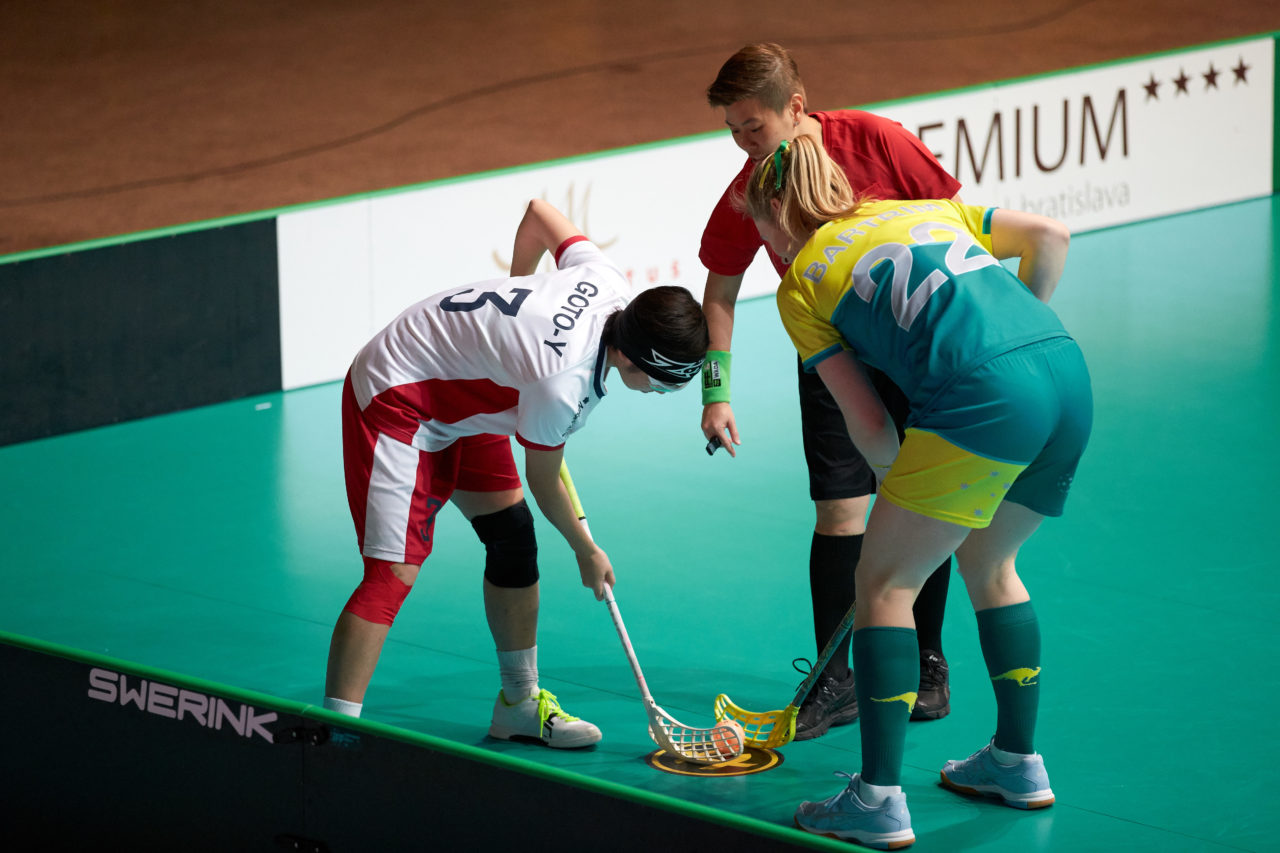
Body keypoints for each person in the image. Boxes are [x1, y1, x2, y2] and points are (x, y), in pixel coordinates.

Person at [742, 136, 1091, 848]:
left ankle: (876, 797)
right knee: (992, 565)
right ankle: (1017, 763)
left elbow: (869, 425)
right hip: (1064, 373)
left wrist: (896, 485)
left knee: (883, 581)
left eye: (757, 224)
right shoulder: (925, 210)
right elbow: (1051, 235)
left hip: (982, 400)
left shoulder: (802, 280)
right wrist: (1017, 330)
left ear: (776, 213)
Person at [323, 198, 709, 749]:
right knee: (391, 576)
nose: (660, 395)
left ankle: (519, 705)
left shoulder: (609, 284)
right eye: (665, 385)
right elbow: (545, 478)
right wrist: (585, 548)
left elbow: (539, 213)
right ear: (634, 359)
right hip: (400, 394)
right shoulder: (562, 383)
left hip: (470, 386)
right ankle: (334, 737)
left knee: (512, 539)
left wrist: (517, 308)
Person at [699, 43, 962, 739]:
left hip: (911, 352)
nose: (743, 143)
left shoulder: (878, 140)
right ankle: (833, 679)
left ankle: (927, 664)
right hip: (829, 353)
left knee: (924, 507)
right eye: (732, 130)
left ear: (795, 106)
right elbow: (720, 291)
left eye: (752, 127)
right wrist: (715, 392)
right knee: (839, 513)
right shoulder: (752, 187)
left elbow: (955, 229)